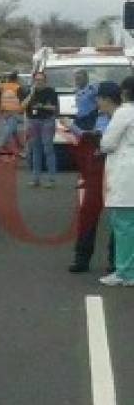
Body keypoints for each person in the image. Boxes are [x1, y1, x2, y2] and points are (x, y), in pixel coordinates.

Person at [70, 80, 119, 274]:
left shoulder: (121, 118)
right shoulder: (95, 115)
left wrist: (78, 131)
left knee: (117, 215)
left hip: (112, 167)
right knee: (88, 213)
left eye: (98, 98)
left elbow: (99, 139)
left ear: (106, 99)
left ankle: (115, 260)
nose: (96, 101)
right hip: (96, 168)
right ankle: (82, 258)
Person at [98, 77, 134, 287]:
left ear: (124, 93)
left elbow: (107, 143)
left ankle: (125, 271)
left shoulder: (124, 112)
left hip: (125, 174)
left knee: (123, 226)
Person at [23, 71, 59, 187]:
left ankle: (52, 179)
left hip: (47, 121)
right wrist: (31, 94)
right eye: (37, 80)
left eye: (41, 80)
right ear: (34, 81)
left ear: (45, 81)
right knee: (35, 149)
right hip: (33, 121)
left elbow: (54, 107)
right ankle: (36, 178)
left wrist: (42, 106)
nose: (39, 82)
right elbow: (23, 106)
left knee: (48, 148)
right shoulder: (30, 92)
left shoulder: (51, 92)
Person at [0, 71, 25, 155]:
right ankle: (1, 145)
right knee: (10, 129)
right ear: (16, 79)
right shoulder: (18, 87)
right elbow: (22, 100)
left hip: (5, 110)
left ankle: (18, 144)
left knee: (13, 128)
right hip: (14, 111)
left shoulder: (2, 86)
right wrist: (22, 110)